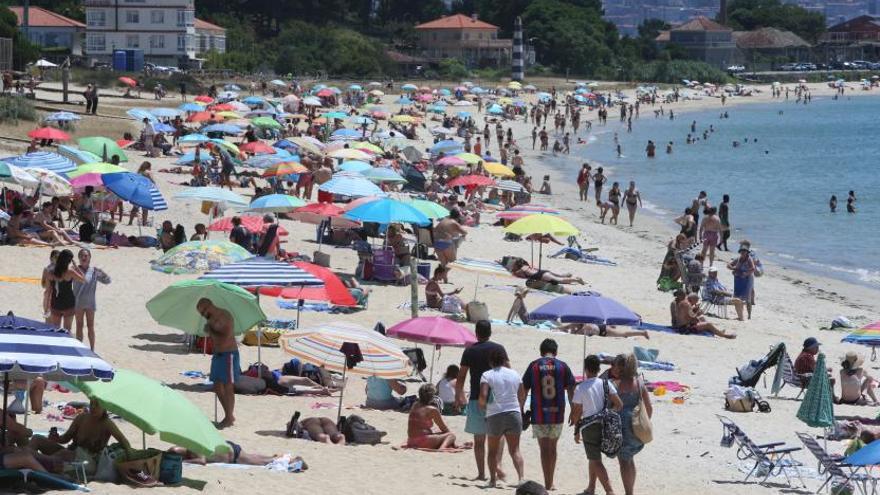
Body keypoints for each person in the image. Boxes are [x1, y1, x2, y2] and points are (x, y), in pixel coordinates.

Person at [456, 321, 508, 482]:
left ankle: (481, 473)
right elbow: (508, 371)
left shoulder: (470, 351)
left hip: (476, 398)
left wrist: (458, 395)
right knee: (499, 435)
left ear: (476, 333)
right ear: (490, 332)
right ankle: (497, 464)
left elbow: (462, 375)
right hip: (497, 398)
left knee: (479, 440)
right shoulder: (499, 349)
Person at [521, 339, 576, 491]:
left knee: (544, 449)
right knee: (553, 448)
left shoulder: (534, 366)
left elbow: (524, 389)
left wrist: (520, 409)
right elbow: (571, 389)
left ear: (541, 351)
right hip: (557, 413)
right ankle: (550, 482)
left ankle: (547, 483)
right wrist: (574, 410)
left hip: (539, 413)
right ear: (556, 352)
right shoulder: (562, 366)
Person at [570, 355, 623, 495]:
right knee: (593, 458)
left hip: (589, 427)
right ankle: (591, 488)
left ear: (586, 369)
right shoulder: (606, 384)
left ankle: (609, 491)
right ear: (599, 368)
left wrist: (576, 431)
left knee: (595, 459)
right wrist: (607, 414)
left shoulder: (580, 388)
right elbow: (619, 405)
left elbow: (576, 413)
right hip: (606, 426)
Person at [29, 398, 132, 463]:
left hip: (89, 460)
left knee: (64, 453)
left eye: (97, 405)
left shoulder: (107, 424)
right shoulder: (81, 418)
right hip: (71, 452)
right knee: (37, 438)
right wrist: (56, 439)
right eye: (91, 404)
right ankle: (28, 460)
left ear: (104, 408)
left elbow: (124, 441)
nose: (93, 407)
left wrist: (131, 455)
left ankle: (33, 459)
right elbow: (66, 438)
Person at [479, 348, 525, 487]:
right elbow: (522, 395)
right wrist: (518, 408)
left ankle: (493, 480)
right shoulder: (515, 374)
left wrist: (484, 409)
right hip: (513, 413)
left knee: (492, 451)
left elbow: (483, 397)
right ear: (505, 360)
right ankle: (521, 478)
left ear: (491, 361)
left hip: (495, 414)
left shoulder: (487, 375)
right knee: (515, 450)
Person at [610, 354, 652, 495]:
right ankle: (630, 491)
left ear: (622, 367)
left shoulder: (615, 384)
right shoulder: (640, 383)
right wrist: (642, 424)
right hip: (636, 427)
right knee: (629, 459)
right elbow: (649, 408)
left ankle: (629, 493)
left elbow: (609, 406)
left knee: (624, 462)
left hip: (622, 429)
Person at [197, 298, 238, 428]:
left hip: (228, 354)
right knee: (217, 386)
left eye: (202, 312)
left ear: (208, 307)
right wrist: (210, 329)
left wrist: (211, 330)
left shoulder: (223, 315)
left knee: (228, 386)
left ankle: (228, 417)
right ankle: (229, 415)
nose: (202, 315)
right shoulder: (211, 320)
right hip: (218, 355)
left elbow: (225, 335)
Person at [72, 248, 110, 350]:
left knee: (90, 326)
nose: (84, 258)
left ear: (89, 257)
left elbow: (108, 281)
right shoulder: (73, 270)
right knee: (79, 326)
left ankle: (92, 349)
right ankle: (79, 349)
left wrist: (102, 273)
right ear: (79, 258)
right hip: (78, 303)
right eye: (82, 256)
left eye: (86, 256)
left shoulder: (94, 271)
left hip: (90, 303)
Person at [169, 442, 305, 468]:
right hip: (228, 448)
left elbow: (201, 461)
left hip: (230, 453)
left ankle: (290, 460)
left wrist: (183, 463)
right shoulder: (190, 444)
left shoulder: (192, 449)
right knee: (255, 457)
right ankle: (279, 456)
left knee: (261, 462)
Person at [407, 384, 461, 450]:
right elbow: (444, 428)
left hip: (410, 440)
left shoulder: (415, 405)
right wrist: (451, 441)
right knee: (451, 435)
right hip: (422, 441)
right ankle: (442, 448)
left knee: (437, 432)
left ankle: (444, 445)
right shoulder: (432, 410)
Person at [672, 290, 736, 339]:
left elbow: (687, 316)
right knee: (708, 324)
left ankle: (716, 331)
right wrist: (697, 310)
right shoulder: (687, 304)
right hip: (685, 329)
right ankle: (724, 335)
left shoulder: (679, 302)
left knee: (702, 318)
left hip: (680, 326)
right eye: (695, 302)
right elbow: (692, 316)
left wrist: (694, 310)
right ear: (693, 300)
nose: (695, 304)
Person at [46, 249, 85, 330]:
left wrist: (47, 306)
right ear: (69, 261)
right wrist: (77, 267)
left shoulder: (50, 272)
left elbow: (48, 291)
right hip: (69, 304)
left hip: (55, 303)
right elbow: (83, 280)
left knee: (56, 330)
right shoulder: (70, 272)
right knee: (67, 331)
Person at [512, 259, 585, 293]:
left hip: (541, 276)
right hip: (542, 272)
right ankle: (571, 278)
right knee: (559, 278)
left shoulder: (521, 269)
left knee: (559, 280)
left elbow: (516, 274)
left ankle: (576, 279)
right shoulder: (527, 266)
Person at [434, 209, 467, 279]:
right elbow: (464, 232)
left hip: (436, 243)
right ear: (458, 217)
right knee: (453, 262)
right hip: (446, 243)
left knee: (444, 264)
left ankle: (444, 278)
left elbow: (435, 230)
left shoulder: (444, 220)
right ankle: (442, 274)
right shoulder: (454, 222)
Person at [728, 247, 755, 319]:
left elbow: (753, 268)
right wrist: (734, 268)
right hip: (738, 279)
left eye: (744, 251)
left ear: (747, 252)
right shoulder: (738, 259)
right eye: (741, 251)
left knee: (747, 297)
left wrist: (745, 274)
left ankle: (749, 315)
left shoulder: (749, 259)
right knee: (738, 296)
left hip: (748, 279)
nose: (743, 253)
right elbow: (728, 265)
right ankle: (741, 314)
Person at [557, 323, 650, 339]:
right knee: (623, 333)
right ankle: (642, 333)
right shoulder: (580, 322)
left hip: (600, 330)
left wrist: (563, 329)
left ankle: (642, 333)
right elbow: (570, 326)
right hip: (601, 327)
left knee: (623, 334)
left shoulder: (582, 326)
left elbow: (573, 331)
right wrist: (562, 328)